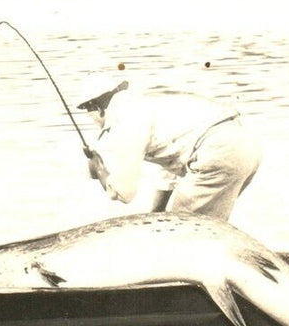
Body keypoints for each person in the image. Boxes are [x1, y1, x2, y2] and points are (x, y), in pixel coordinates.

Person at [77, 75, 262, 221]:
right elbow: (171, 165)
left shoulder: (123, 120)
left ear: (96, 108)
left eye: (88, 112)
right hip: (243, 146)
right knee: (204, 228)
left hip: (218, 152)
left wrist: (99, 169)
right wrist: (157, 214)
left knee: (183, 231)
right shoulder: (143, 103)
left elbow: (124, 192)